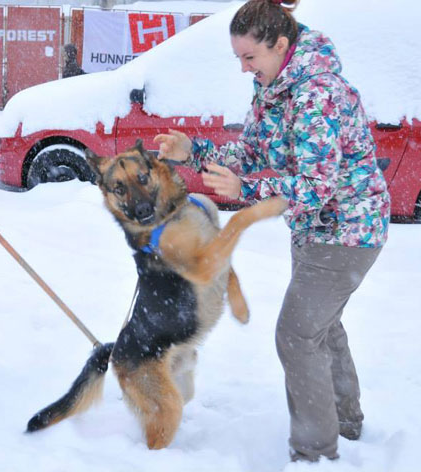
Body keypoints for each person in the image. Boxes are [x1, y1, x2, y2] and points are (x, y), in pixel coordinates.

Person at [154, 0, 390, 462]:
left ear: (281, 45)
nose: (244, 69)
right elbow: (252, 152)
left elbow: (317, 185)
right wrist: (193, 152)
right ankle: (345, 420)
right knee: (322, 325)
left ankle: (316, 454)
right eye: (238, 58)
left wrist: (249, 187)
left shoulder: (316, 93)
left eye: (250, 58)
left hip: (347, 229)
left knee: (297, 334)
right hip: (316, 226)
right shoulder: (276, 85)